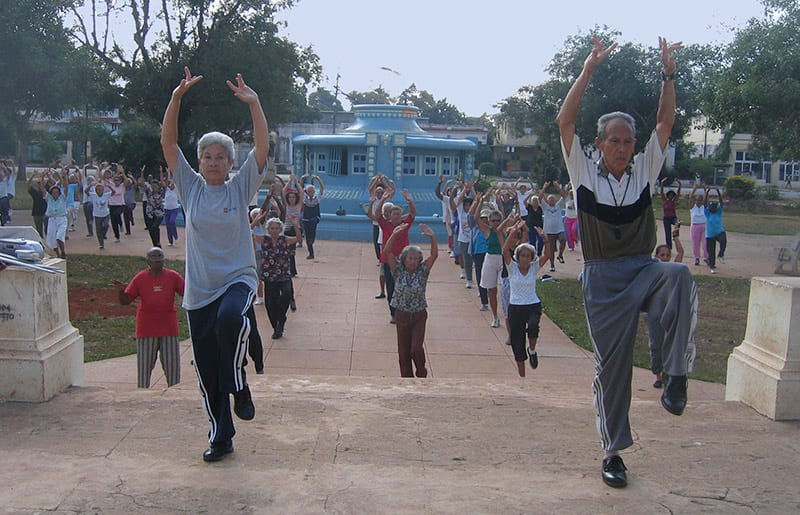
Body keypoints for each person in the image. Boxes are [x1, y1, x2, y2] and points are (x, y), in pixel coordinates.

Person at [556, 35, 694, 488]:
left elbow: (666, 121)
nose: (621, 146)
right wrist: (588, 70)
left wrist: (668, 74)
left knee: (678, 275)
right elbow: (564, 120)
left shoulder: (643, 170)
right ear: (599, 143)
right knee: (610, 369)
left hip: (641, 266)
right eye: (613, 140)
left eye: (627, 140)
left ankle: (674, 375)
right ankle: (612, 452)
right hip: (602, 278)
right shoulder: (583, 171)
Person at [161, 67, 271, 462]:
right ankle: (221, 435)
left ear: (229, 163)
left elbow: (261, 148)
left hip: (237, 279)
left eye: (220, 157)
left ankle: (239, 382)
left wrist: (254, 104)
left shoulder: (240, 186)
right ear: (199, 161)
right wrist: (176, 99)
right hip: (199, 291)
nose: (212, 161)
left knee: (232, 320)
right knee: (207, 372)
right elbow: (169, 143)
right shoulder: (188, 187)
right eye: (206, 156)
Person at [114, 247, 185, 388]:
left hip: (168, 328)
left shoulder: (173, 276)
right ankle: (142, 394)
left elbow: (187, 293)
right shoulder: (140, 278)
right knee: (144, 368)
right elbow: (126, 300)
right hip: (146, 329)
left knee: (172, 368)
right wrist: (121, 291)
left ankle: (174, 393)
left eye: (160, 260)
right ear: (148, 262)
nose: (158, 264)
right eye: (154, 261)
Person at [384, 222, 438, 377]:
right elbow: (387, 252)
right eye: (410, 258)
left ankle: (421, 371)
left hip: (418, 315)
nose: (413, 261)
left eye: (416, 258)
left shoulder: (423, 271)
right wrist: (394, 235)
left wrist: (432, 237)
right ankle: (407, 381)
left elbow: (434, 255)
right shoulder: (398, 270)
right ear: (404, 259)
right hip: (401, 315)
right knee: (403, 353)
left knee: (415, 348)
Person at [502, 217, 550, 377]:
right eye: (522, 255)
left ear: (531, 258)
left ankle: (533, 350)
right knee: (517, 342)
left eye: (528, 256)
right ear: (518, 256)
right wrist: (514, 231)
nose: (525, 258)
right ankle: (522, 377)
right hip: (516, 307)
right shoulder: (512, 268)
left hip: (532, 304)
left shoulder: (534, 267)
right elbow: (505, 249)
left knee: (533, 326)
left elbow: (547, 255)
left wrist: (546, 240)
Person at [255, 215, 302, 339]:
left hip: (283, 275)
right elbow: (247, 234)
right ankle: (276, 327)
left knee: (286, 295)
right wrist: (254, 223)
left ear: (280, 229)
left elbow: (298, 238)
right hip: (269, 276)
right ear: (268, 229)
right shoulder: (264, 239)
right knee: (270, 304)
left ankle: (281, 320)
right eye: (272, 228)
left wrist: (295, 224)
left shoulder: (284, 240)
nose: (274, 230)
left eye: (276, 228)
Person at [539, 182, 567, 272]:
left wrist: (558, 187)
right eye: (550, 199)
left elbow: (564, 196)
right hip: (549, 231)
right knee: (551, 249)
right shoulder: (545, 207)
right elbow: (539, 197)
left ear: (555, 200)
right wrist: (544, 188)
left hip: (559, 229)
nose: (551, 200)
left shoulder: (559, 206)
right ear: (547, 201)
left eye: (553, 199)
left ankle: (560, 255)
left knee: (563, 239)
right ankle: (552, 265)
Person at [300, 173, 324, 259]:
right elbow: (300, 189)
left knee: (312, 233)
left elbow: (322, 189)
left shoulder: (317, 197)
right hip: (306, 217)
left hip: (314, 217)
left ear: (313, 191)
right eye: (308, 191)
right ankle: (311, 253)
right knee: (307, 235)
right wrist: (302, 179)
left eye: (311, 191)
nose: (310, 193)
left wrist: (318, 179)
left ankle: (311, 241)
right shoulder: (304, 197)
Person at [45, 184, 68, 259]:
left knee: (59, 236)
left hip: (61, 219)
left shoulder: (62, 198)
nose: (56, 194)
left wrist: (63, 175)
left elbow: (66, 186)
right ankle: (57, 254)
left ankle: (63, 252)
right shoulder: (49, 198)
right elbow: (42, 189)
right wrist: (42, 177)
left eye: (57, 192)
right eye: (54, 192)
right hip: (52, 220)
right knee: (52, 239)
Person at [688, 184, 708, 266]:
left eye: (700, 200)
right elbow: (690, 198)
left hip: (704, 226)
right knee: (695, 243)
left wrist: (705, 189)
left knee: (705, 243)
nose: (698, 201)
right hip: (695, 226)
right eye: (697, 200)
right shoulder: (693, 207)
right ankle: (697, 258)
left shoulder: (704, 207)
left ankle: (707, 258)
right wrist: (694, 189)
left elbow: (707, 199)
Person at [659, 178, 681, 249]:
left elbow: (678, 194)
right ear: (668, 195)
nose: (671, 196)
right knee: (667, 232)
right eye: (670, 195)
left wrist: (679, 185)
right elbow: (661, 192)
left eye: (672, 195)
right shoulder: (665, 201)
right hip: (666, 218)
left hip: (673, 217)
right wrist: (662, 183)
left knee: (677, 223)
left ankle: (675, 235)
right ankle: (669, 246)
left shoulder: (674, 201)